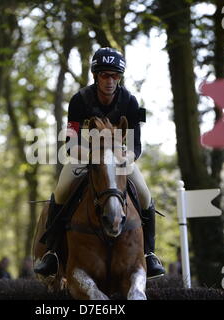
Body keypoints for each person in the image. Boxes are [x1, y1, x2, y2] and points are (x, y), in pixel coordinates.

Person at [34, 47, 165, 279]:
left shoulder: (131, 102)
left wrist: (127, 158)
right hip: (83, 155)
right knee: (61, 191)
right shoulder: (79, 100)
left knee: (144, 195)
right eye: (105, 75)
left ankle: (149, 254)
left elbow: (136, 145)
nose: (110, 81)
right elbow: (69, 140)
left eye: (115, 76)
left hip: (119, 159)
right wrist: (90, 156)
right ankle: (52, 253)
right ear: (96, 76)